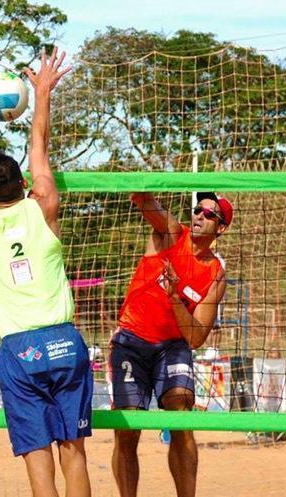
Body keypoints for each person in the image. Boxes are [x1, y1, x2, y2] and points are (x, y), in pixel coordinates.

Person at [0, 48, 93, 497]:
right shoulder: (45, 206)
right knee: (74, 453)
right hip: (64, 341)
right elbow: (39, 142)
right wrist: (43, 90)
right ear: (25, 184)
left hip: (19, 351)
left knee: (38, 460)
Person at [110, 191, 232, 497]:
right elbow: (150, 206)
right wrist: (141, 192)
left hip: (173, 344)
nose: (200, 216)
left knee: (180, 410)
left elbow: (196, 336)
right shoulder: (172, 234)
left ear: (221, 227)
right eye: (198, 210)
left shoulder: (215, 274)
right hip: (132, 340)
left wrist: (176, 297)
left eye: (209, 214)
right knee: (127, 428)